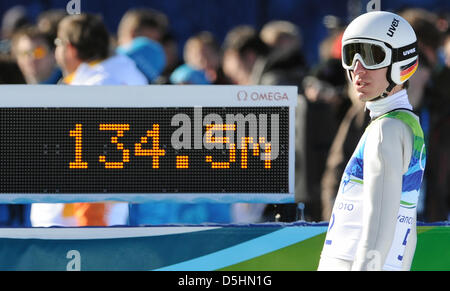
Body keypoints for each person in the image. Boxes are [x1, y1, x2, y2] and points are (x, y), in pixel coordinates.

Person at [318, 11, 426, 271]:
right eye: (351, 55)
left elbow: (377, 232)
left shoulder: (385, 131)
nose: (358, 69)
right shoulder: (407, 125)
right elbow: (405, 229)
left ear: (402, 62)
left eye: (371, 56)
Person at [30, 13, 147, 228]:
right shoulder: (117, 79)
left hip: (79, 226)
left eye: (57, 43)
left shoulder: (97, 87)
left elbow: (93, 167)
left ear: (70, 48)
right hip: (85, 222)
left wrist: (90, 228)